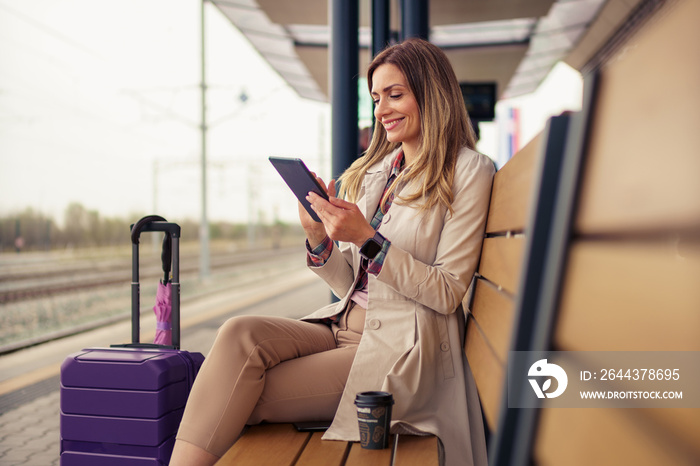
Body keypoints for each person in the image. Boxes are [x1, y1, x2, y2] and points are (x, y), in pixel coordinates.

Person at [170, 37, 495, 466]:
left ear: (431, 95)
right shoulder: (382, 172)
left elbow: (448, 291)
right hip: (343, 327)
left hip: (401, 349)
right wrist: (320, 238)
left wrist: (367, 238)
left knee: (238, 390)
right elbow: (355, 284)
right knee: (237, 334)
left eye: (395, 95)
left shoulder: (469, 170)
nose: (382, 110)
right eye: (377, 98)